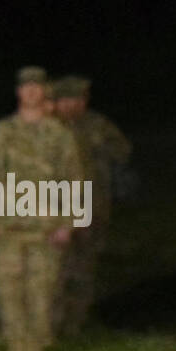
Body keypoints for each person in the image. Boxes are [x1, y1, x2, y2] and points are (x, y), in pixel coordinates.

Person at [0, 66, 84, 351]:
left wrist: (69, 222)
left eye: (37, 86)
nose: (31, 91)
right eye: (25, 86)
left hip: (45, 226)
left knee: (41, 289)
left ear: (44, 91)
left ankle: (35, 345)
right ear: (18, 92)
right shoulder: (2, 132)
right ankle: (15, 344)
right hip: (8, 224)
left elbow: (73, 178)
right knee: (8, 288)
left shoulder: (59, 134)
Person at [50, 75, 131, 335]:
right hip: (55, 208)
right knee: (53, 267)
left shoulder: (97, 125)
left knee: (83, 265)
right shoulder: (46, 128)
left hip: (93, 207)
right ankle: (50, 323)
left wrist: (101, 150)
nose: (74, 105)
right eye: (68, 99)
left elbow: (123, 150)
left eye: (79, 99)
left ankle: (74, 322)